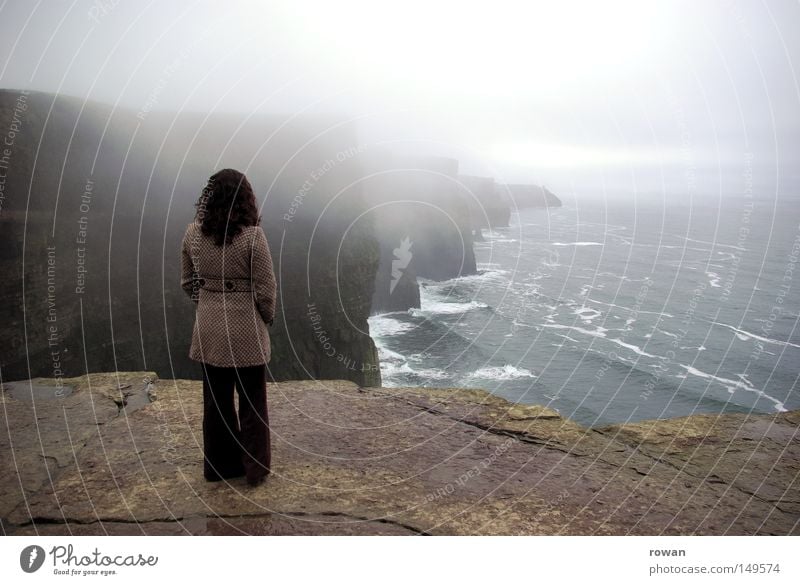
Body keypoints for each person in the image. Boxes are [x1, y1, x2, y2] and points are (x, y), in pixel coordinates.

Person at [180, 168, 277, 487]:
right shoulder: (253, 236)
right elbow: (265, 288)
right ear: (245, 198)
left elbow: (187, 281)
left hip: (209, 331)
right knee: (252, 403)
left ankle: (219, 468)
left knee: (216, 403)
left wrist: (206, 302)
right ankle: (255, 470)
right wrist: (266, 317)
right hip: (246, 330)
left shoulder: (193, 234)